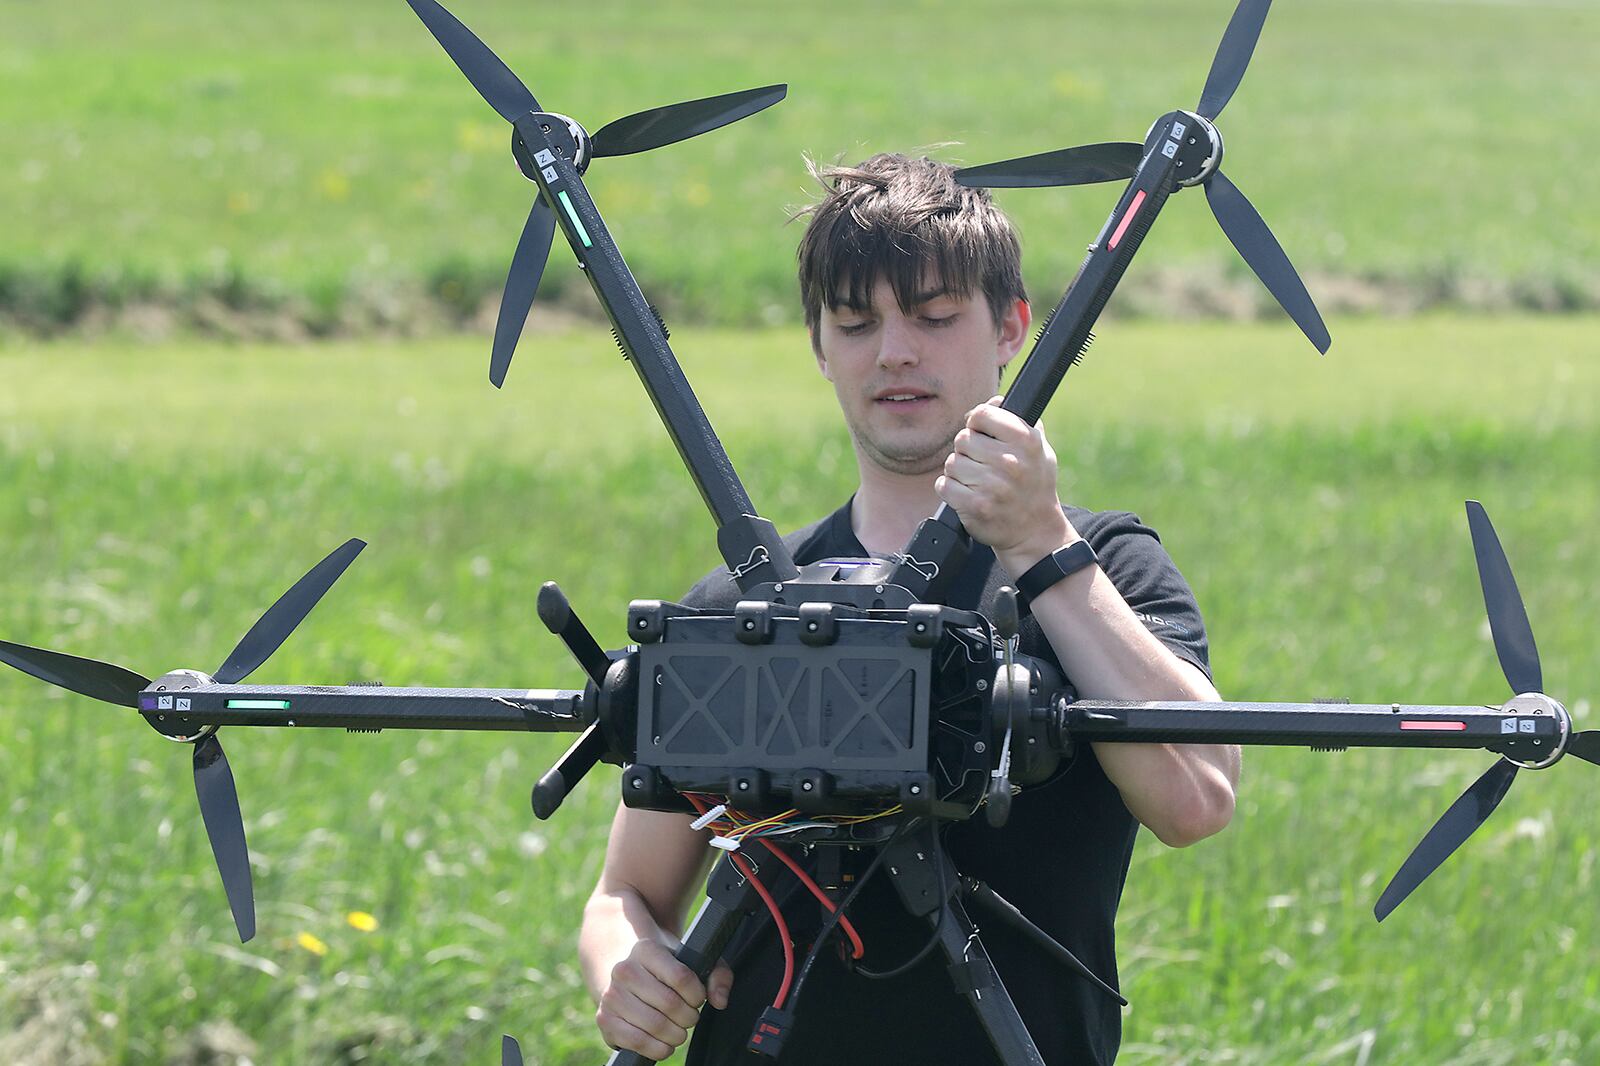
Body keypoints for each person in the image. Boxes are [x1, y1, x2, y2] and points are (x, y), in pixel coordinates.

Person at [577, 152, 1240, 1065]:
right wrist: (625, 963)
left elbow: (1198, 799)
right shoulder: (745, 604)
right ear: (819, 346)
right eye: (855, 324)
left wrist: (1040, 545)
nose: (895, 352)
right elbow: (626, 895)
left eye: (933, 317)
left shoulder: (1106, 568)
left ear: (1012, 327)